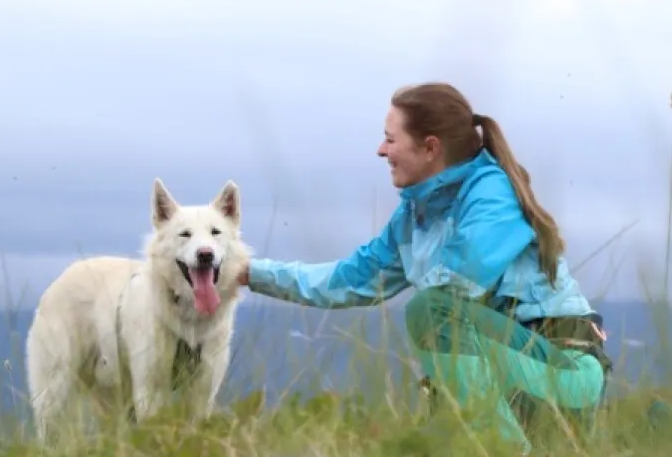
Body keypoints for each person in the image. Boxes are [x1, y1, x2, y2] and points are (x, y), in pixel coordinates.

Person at [236, 82, 611, 454]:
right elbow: (347, 280)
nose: (381, 151)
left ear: (430, 147)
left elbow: (457, 284)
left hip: (564, 372)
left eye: (390, 139)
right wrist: (248, 271)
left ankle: (505, 450)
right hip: (509, 375)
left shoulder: (491, 194)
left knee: (432, 310)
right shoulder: (413, 216)